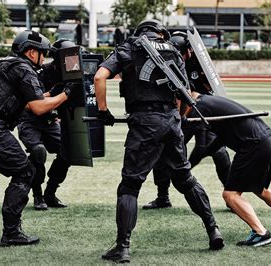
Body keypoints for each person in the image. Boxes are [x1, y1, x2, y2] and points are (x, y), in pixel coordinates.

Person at [93, 19, 224, 263]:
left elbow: (100, 77)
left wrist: (103, 111)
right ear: (160, 33)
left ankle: (122, 247)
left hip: (144, 124)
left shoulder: (128, 48)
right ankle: (213, 228)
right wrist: (180, 119)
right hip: (171, 122)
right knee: (185, 179)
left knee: (130, 186)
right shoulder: (173, 50)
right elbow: (185, 93)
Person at [0, 30, 71, 246]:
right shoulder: (23, 69)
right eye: (42, 54)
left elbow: (26, 101)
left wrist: (55, 92)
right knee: (25, 171)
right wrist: (67, 94)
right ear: (30, 52)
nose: (44, 59)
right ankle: (11, 233)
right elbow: (37, 108)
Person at [184, 91, 271, 247]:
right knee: (260, 189)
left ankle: (260, 233)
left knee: (230, 195)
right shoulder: (210, 102)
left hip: (254, 145)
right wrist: (207, 152)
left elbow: (197, 144)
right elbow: (220, 137)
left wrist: (186, 167)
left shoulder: (199, 108)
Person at [143, 31, 231, 209]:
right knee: (164, 151)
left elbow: (211, 87)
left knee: (220, 153)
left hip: (203, 112)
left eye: (181, 53)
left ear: (189, 51)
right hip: (182, 113)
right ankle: (163, 196)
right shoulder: (167, 60)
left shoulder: (199, 62)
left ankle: (231, 194)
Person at [17, 39, 76, 210]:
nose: (73, 61)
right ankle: (37, 195)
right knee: (38, 152)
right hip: (29, 120)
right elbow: (33, 102)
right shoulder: (40, 72)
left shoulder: (72, 73)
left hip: (49, 120)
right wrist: (59, 93)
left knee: (67, 153)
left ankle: (50, 193)